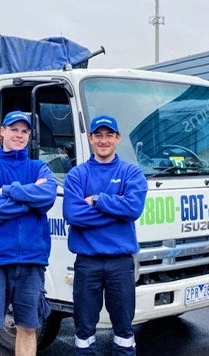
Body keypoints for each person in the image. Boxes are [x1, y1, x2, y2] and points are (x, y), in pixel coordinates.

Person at [0, 110, 58, 356]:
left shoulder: (39, 168)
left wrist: (7, 190)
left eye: (24, 130)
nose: (19, 134)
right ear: (2, 132)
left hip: (31, 261)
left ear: (29, 135)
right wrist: (30, 200)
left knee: (29, 328)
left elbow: (47, 197)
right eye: (13, 129)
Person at [63, 115, 149, 355]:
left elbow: (133, 208)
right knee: (84, 332)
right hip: (87, 264)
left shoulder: (131, 172)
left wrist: (98, 200)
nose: (103, 140)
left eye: (109, 135)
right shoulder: (77, 175)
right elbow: (73, 214)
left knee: (123, 332)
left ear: (117, 138)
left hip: (120, 264)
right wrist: (116, 212)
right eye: (98, 135)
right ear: (90, 138)